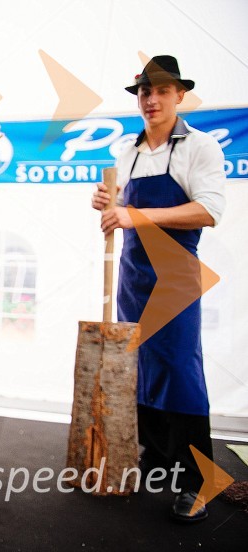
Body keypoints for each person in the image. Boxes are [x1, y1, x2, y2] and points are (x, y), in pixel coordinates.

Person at [92, 55, 225, 523]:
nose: (152, 99)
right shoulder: (126, 151)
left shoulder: (200, 146)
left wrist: (137, 215)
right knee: (139, 368)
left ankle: (199, 481)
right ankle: (158, 459)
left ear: (180, 95)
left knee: (180, 372)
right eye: (145, 92)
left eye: (162, 91)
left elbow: (208, 210)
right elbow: (122, 209)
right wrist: (108, 202)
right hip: (134, 275)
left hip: (174, 275)